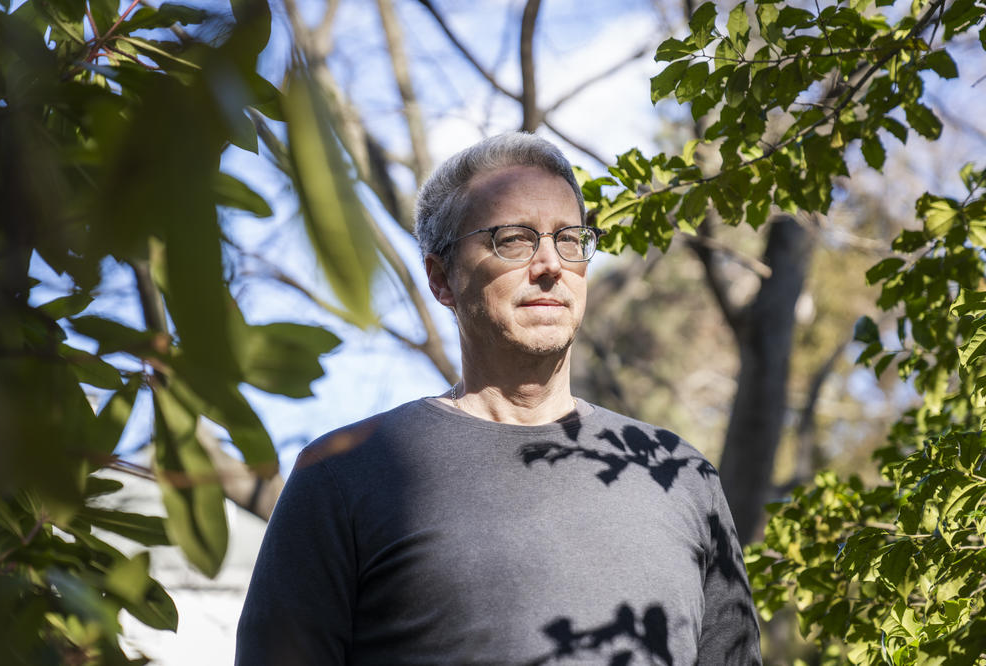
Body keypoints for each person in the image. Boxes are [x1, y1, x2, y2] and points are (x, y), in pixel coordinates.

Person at [236, 133, 761, 665]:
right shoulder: (344, 475)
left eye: (570, 239)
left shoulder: (680, 477)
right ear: (442, 278)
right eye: (514, 239)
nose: (550, 264)